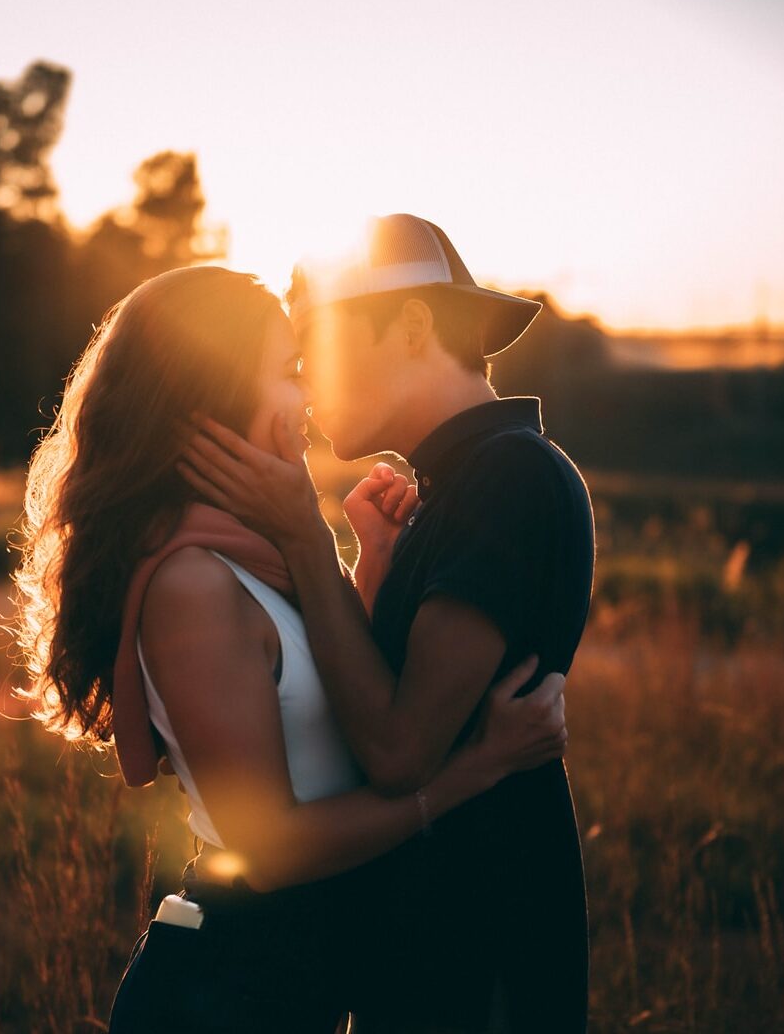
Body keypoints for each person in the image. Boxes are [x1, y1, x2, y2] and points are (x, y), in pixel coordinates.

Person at [8, 264, 571, 1033]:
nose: (307, 396)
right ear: (214, 392)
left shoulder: (267, 558)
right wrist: (476, 767)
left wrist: (368, 567)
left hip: (290, 985)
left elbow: (336, 706)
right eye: (287, 372)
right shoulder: (189, 584)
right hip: (223, 989)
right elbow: (269, 850)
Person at [179, 213, 597, 1033]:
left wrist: (304, 534)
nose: (304, 387)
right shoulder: (457, 487)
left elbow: (400, 751)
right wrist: (368, 567)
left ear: (410, 327)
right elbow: (382, 707)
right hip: (435, 949)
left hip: (479, 968)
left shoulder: (507, 478)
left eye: (317, 351)